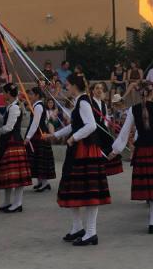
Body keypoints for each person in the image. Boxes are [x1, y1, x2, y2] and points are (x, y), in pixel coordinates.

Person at [47, 74, 111, 246]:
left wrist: (73, 138)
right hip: (80, 149)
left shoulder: (83, 102)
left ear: (75, 85)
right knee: (73, 189)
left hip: (85, 150)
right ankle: (77, 228)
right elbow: (75, 124)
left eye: (67, 84)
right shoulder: (80, 101)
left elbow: (91, 125)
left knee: (88, 191)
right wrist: (55, 135)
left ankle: (91, 232)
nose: (66, 86)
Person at [110, 81, 153, 234]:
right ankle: (152, 222)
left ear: (138, 93)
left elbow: (124, 133)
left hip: (143, 151)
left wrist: (115, 150)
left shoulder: (133, 109)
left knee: (150, 189)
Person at [0, 83, 32, 213]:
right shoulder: (11, 106)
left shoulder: (15, 107)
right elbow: (5, 121)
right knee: (8, 175)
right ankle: (7, 202)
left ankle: (17, 203)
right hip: (9, 143)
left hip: (13, 143)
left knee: (16, 176)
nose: (3, 95)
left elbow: (9, 127)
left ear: (9, 93)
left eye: (4, 92)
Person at [25, 87, 56, 192]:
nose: (29, 96)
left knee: (40, 158)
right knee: (37, 158)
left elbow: (35, 123)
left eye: (31, 94)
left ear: (37, 95)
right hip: (39, 135)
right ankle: (40, 182)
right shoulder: (38, 106)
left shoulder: (38, 107)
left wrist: (28, 137)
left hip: (39, 136)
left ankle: (44, 183)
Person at [90, 82, 123, 175]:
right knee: (97, 149)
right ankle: (96, 169)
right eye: (97, 88)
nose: (99, 90)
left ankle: (104, 169)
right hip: (93, 129)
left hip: (102, 128)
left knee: (110, 145)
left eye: (101, 88)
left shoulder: (103, 103)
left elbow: (106, 117)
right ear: (93, 91)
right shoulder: (90, 103)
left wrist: (107, 126)